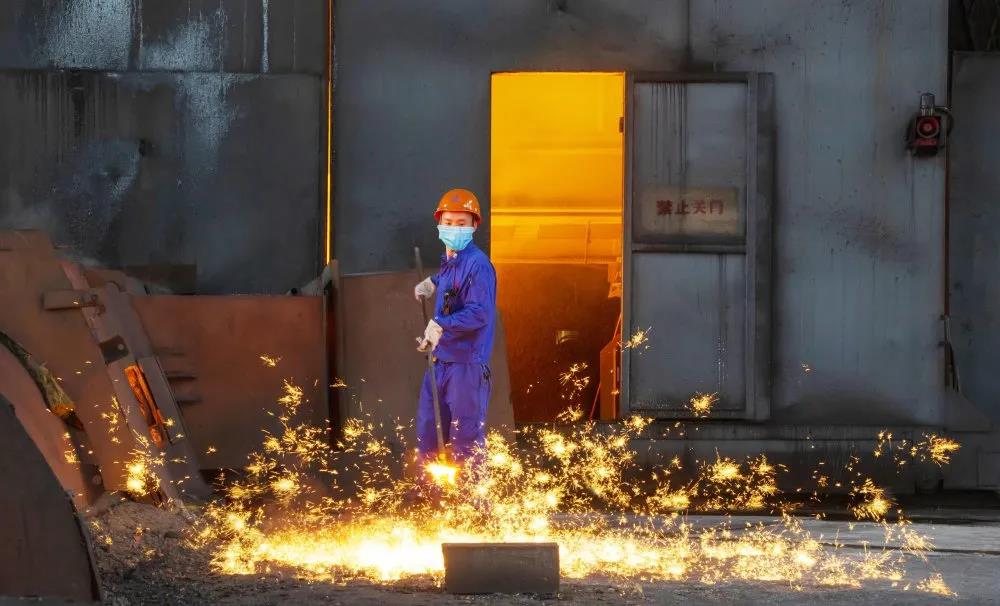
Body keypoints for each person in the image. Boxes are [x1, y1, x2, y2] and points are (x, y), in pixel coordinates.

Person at [413, 188, 497, 464]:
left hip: (465, 367)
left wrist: (440, 325)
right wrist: (433, 282)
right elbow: (453, 282)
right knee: (428, 438)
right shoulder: (452, 259)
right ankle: (430, 491)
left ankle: (470, 494)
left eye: (461, 223)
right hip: (440, 362)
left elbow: (480, 313)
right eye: (448, 222)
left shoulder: (479, 265)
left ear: (474, 225)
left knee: (465, 444)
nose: (454, 228)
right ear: (439, 223)